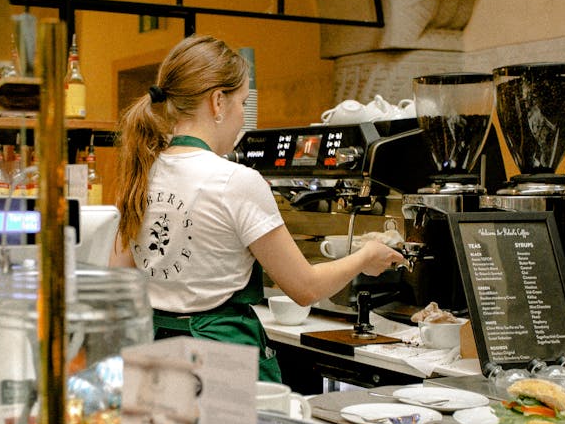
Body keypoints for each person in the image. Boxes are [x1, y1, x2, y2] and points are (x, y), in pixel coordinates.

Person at [109, 34, 404, 382]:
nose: (241, 119)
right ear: (218, 102)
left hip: (152, 358)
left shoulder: (143, 172)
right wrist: (365, 257)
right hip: (219, 359)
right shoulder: (236, 180)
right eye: (242, 103)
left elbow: (119, 277)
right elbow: (304, 288)